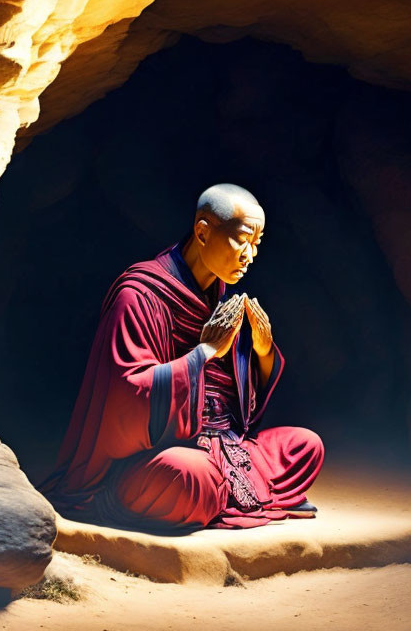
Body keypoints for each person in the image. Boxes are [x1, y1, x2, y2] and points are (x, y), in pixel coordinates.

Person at [39, 183, 324, 530]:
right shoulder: (139, 294)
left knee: (306, 446)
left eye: (257, 244)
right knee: (188, 476)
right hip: (156, 454)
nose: (249, 255)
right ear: (203, 232)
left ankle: (222, 492)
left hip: (223, 444)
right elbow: (125, 396)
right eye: (242, 240)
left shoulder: (217, 299)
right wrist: (203, 353)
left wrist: (262, 352)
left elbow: (236, 406)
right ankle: (190, 494)